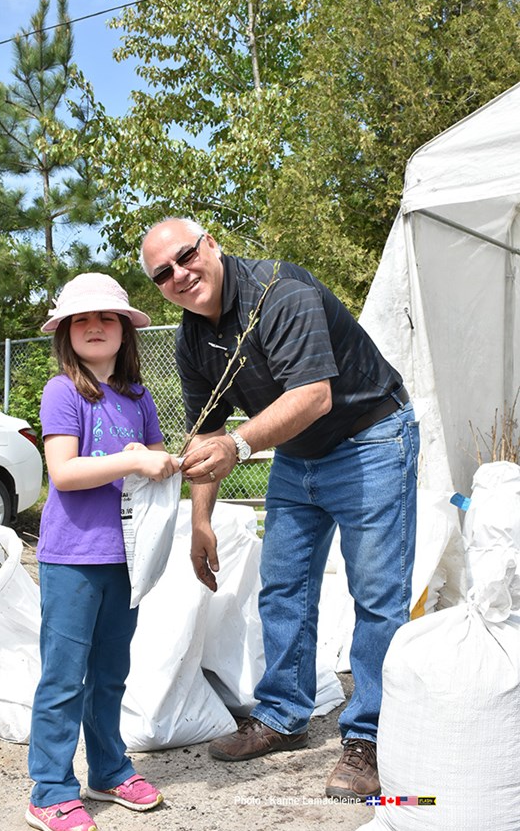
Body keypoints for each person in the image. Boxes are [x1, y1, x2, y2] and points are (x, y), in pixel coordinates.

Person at [140, 218, 419, 801]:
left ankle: (371, 737)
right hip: (299, 453)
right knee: (283, 586)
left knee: (376, 594)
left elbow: (313, 396)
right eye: (163, 273)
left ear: (211, 244)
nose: (179, 275)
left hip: (370, 438)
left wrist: (239, 447)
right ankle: (284, 715)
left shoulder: (281, 293)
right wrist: (200, 521)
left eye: (185, 256)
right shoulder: (192, 340)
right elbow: (206, 432)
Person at [26, 273, 180, 831]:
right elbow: (64, 472)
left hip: (126, 558)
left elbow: (156, 460)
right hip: (72, 558)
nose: (95, 326)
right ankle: (50, 791)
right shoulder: (63, 391)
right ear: (66, 332)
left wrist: (163, 461)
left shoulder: (139, 397)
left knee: (111, 673)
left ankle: (109, 770)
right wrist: (134, 460)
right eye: (82, 319)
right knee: (64, 678)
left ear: (124, 330)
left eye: (107, 317)